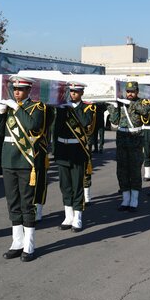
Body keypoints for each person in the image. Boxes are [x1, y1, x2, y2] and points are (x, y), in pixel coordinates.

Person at [0, 76, 47, 262]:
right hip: (8, 161)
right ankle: (16, 242)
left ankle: (29, 244)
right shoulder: (10, 108)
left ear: (28, 91)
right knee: (13, 202)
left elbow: (32, 126)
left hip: (25, 161)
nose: (16, 92)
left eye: (20, 89)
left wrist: (16, 108)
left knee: (27, 204)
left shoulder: (37, 107)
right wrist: (1, 114)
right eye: (15, 89)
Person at [54, 82, 95, 232]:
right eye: (71, 92)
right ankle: (68, 215)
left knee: (77, 184)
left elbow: (85, 122)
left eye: (76, 92)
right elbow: (56, 130)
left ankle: (78, 216)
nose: (73, 94)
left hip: (77, 150)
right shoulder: (62, 108)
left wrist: (73, 108)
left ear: (81, 93)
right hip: (63, 150)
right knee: (65, 185)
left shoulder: (87, 108)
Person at [107, 81, 150, 212]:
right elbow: (114, 121)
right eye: (128, 91)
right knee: (122, 170)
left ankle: (134, 200)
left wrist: (130, 104)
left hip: (135, 138)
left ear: (137, 92)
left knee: (134, 170)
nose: (130, 93)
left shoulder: (143, 102)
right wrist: (113, 107)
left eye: (132, 91)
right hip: (122, 138)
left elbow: (145, 111)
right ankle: (125, 199)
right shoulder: (121, 103)